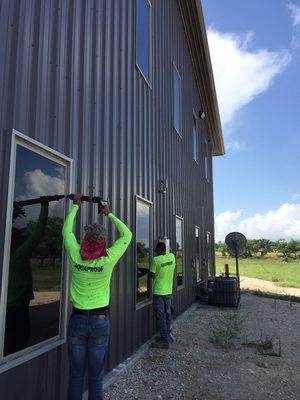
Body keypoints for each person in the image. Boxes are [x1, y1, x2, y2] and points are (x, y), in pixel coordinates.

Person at [62, 194, 132, 400]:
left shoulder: (75, 255)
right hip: (100, 321)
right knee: (96, 374)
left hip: (77, 320)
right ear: (102, 244)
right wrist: (109, 214)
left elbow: (66, 231)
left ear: (84, 241)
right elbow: (127, 234)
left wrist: (76, 206)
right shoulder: (108, 259)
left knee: (75, 374)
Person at [150, 241, 176, 349]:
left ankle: (164, 340)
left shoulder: (155, 260)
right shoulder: (172, 256)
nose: (156, 253)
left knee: (160, 315)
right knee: (167, 313)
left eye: (157, 251)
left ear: (160, 250)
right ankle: (167, 334)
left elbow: (152, 275)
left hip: (159, 292)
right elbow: (173, 268)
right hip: (168, 291)